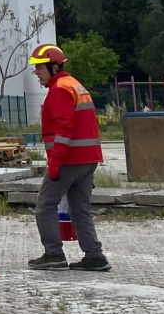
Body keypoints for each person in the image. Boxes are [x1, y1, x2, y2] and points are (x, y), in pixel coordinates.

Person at [28, 43, 109, 271]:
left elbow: (65, 128)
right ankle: (95, 256)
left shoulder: (60, 90)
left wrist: (55, 161)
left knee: (45, 206)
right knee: (80, 209)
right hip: (88, 159)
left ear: (53, 67)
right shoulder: (75, 85)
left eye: (39, 68)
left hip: (68, 160)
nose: (36, 73)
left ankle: (53, 254)